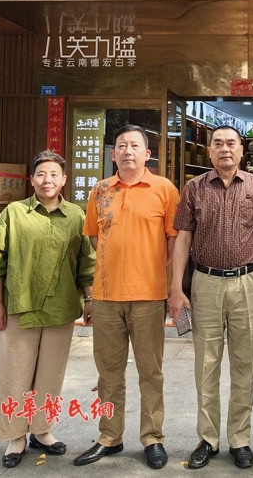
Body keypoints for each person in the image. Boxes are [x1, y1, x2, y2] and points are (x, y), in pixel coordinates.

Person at [74, 124, 179, 470]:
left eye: (135, 146)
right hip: (106, 296)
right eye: (121, 146)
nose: (127, 151)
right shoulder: (101, 190)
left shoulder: (164, 189)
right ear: (113, 154)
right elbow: (94, 238)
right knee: (108, 372)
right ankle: (109, 436)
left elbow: (174, 240)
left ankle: (152, 437)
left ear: (147, 154)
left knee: (151, 372)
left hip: (148, 295)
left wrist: (153, 269)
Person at [0, 150, 95, 468]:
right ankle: (15, 436)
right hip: (21, 306)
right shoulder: (14, 213)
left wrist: (90, 300)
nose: (48, 180)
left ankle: (42, 430)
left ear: (64, 180)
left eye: (54, 174)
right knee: (14, 375)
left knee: (50, 375)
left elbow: (87, 263)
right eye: (41, 174)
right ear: (31, 180)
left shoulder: (76, 216)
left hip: (60, 308)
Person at [168, 125, 253, 470]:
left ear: (241, 150)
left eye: (231, 143)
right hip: (206, 282)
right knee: (206, 364)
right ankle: (208, 439)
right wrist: (176, 288)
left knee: (244, 365)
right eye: (218, 144)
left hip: (247, 282)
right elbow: (183, 238)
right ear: (210, 151)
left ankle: (240, 439)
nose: (224, 149)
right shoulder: (194, 187)